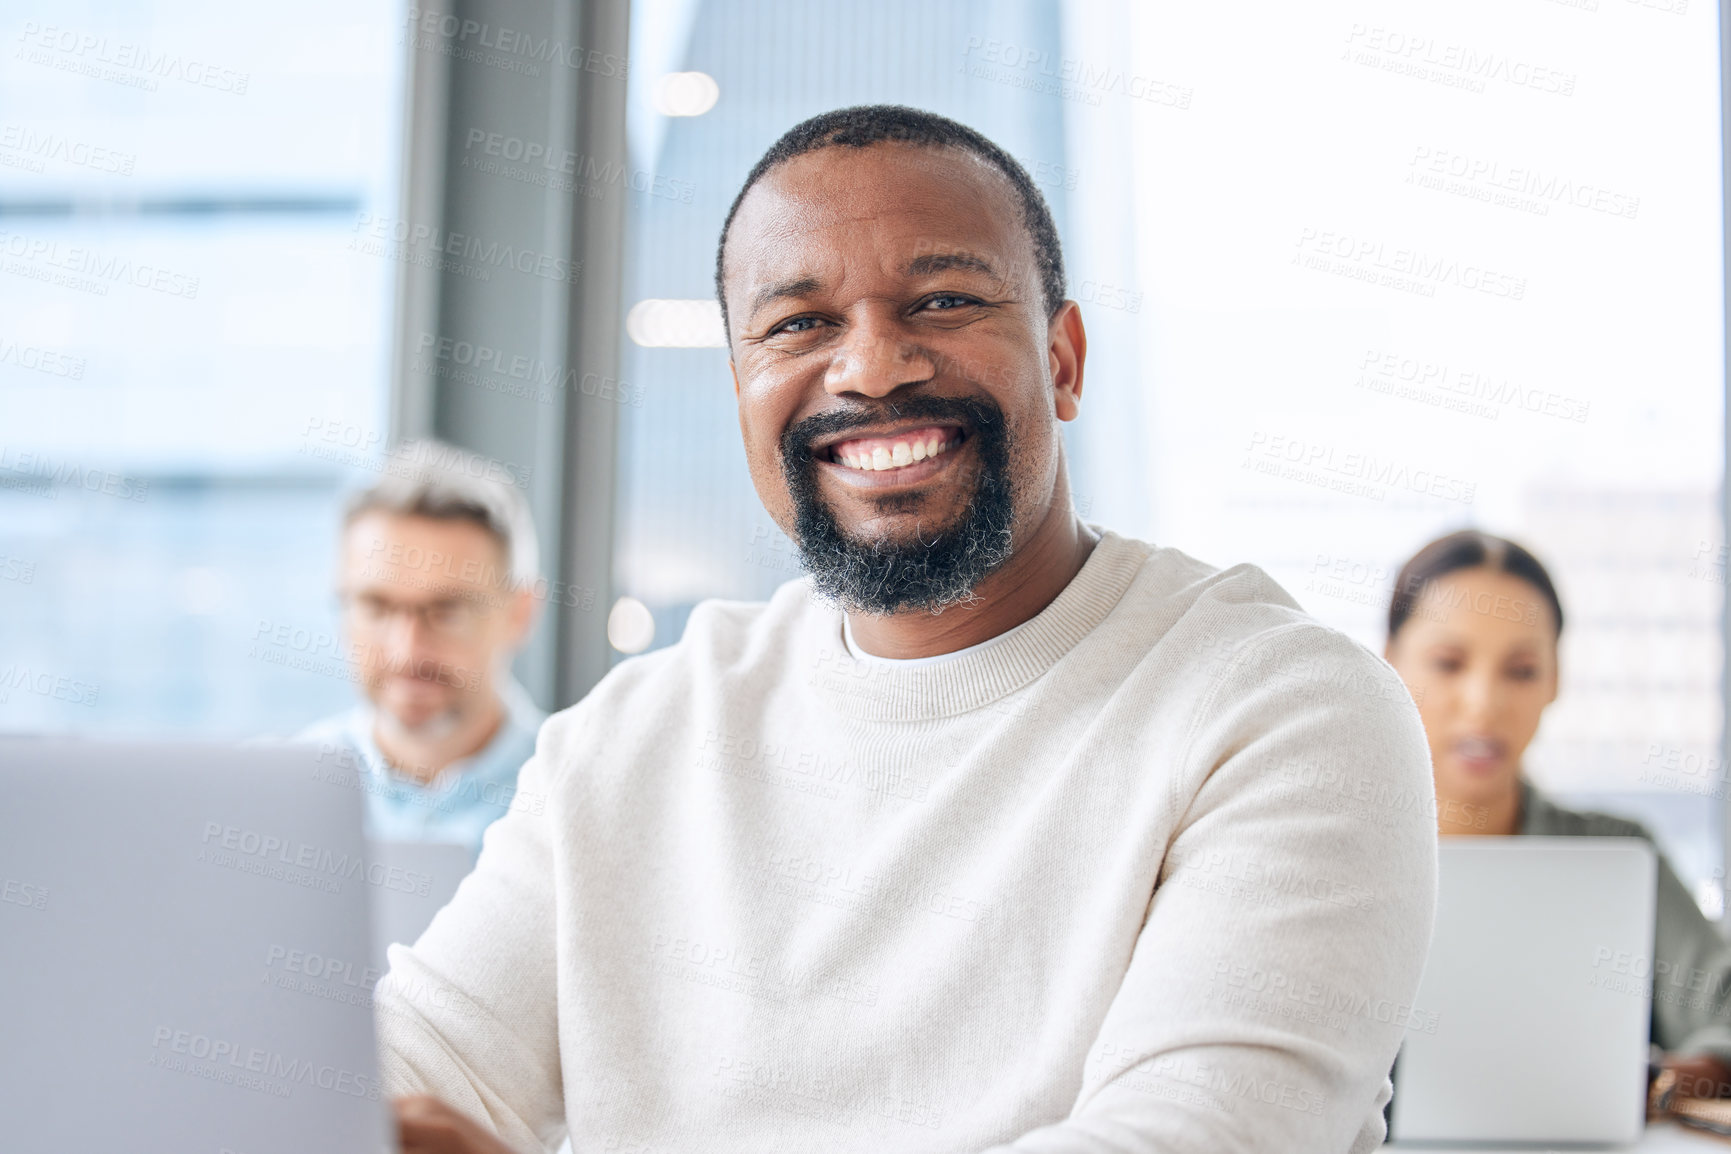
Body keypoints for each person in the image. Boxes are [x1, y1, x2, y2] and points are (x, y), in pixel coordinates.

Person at [378, 105, 1436, 1154]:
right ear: (742, 387)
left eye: (942, 299)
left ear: (1064, 360)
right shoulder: (630, 737)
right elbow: (416, 1064)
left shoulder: (1283, 709)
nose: (872, 367)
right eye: (798, 323)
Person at [1383, 529, 1731, 1101]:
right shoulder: (1329, 856)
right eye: (1449, 663)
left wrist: (1657, 1088)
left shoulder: (1619, 857)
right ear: (1390, 663)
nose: (1483, 703)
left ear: (1555, 679)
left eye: (1519, 670)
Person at [296, 439, 546, 858]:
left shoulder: (579, 796)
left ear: (520, 614)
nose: (406, 652)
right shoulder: (281, 790)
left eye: (447, 612)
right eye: (376, 607)